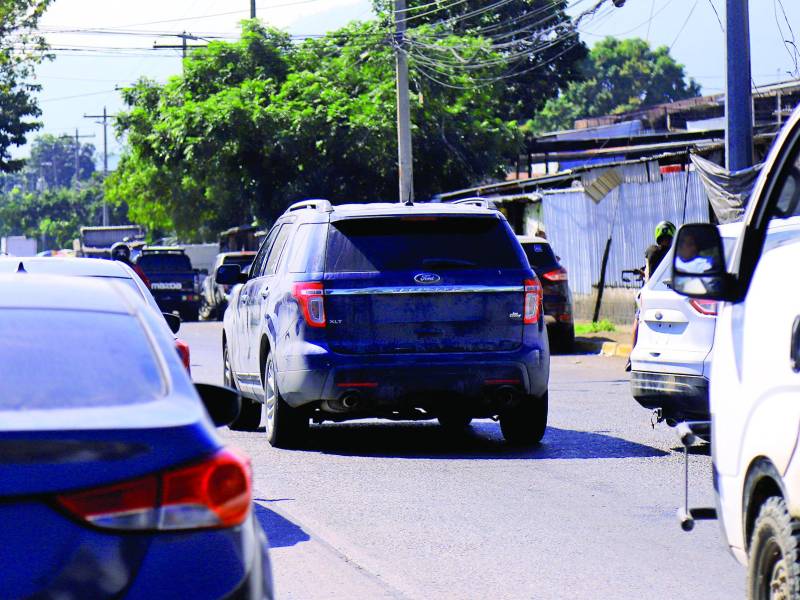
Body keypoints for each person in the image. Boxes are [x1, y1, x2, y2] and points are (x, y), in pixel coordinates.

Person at [626, 220, 676, 372]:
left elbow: (649, 275)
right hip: (671, 293)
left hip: (651, 293)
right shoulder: (675, 253)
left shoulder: (651, 251)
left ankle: (631, 356)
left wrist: (642, 273)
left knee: (638, 320)